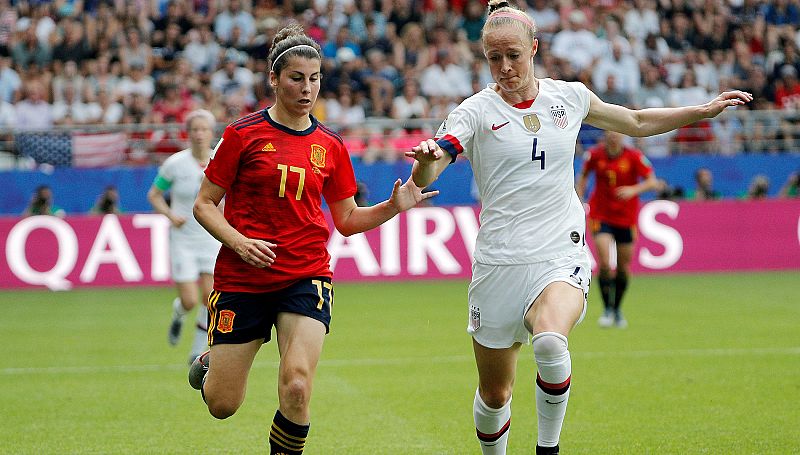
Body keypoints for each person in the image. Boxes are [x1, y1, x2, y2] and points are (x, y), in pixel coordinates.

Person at [405, 2, 752, 454]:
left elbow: (636, 121)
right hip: (499, 262)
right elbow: (434, 166)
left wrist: (702, 112)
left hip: (559, 252)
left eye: (513, 54)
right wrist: (428, 164)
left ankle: (548, 449)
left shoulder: (569, 97)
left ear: (534, 48)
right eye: (494, 58)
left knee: (550, 340)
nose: (505, 67)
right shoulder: (473, 112)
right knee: (496, 395)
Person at [189, 24, 435, 455]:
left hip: (305, 275)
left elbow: (346, 220)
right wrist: (239, 242)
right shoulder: (242, 135)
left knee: (298, 385)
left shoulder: (330, 145)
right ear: (273, 78)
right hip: (243, 279)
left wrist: (394, 206)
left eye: (315, 78)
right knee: (223, 405)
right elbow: (204, 204)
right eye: (296, 78)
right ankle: (209, 367)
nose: (307, 88)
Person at [147, 109, 220, 365]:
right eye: (194, 130)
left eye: (204, 129)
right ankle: (179, 315)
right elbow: (155, 194)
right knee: (190, 300)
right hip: (184, 239)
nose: (199, 134)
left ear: (212, 133)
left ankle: (197, 352)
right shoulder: (175, 164)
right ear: (188, 134)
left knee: (211, 298)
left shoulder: (219, 160)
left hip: (211, 237)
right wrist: (170, 215)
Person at [576, 131, 660, 328]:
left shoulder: (634, 156)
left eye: (617, 134)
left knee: (623, 269)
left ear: (623, 136)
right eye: (610, 133)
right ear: (606, 135)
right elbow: (583, 176)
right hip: (601, 215)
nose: (613, 137)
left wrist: (633, 190)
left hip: (625, 218)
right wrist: (579, 199)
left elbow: (652, 181)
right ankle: (606, 309)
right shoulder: (595, 155)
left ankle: (616, 308)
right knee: (604, 264)